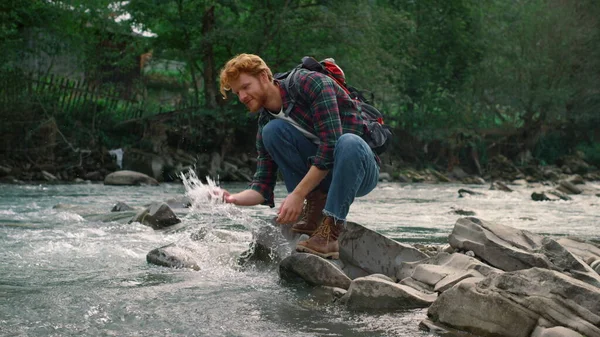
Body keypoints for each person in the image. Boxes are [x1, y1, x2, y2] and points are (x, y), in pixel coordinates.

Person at [217, 53, 379, 259]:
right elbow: (262, 186)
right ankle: (314, 210)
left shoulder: (310, 83)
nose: (242, 97)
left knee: (347, 141)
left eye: (246, 87)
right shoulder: (265, 121)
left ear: (265, 76)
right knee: (273, 131)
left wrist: (297, 194)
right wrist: (230, 199)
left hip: (359, 170)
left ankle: (330, 231)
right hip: (323, 176)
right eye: (237, 92)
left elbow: (330, 146)